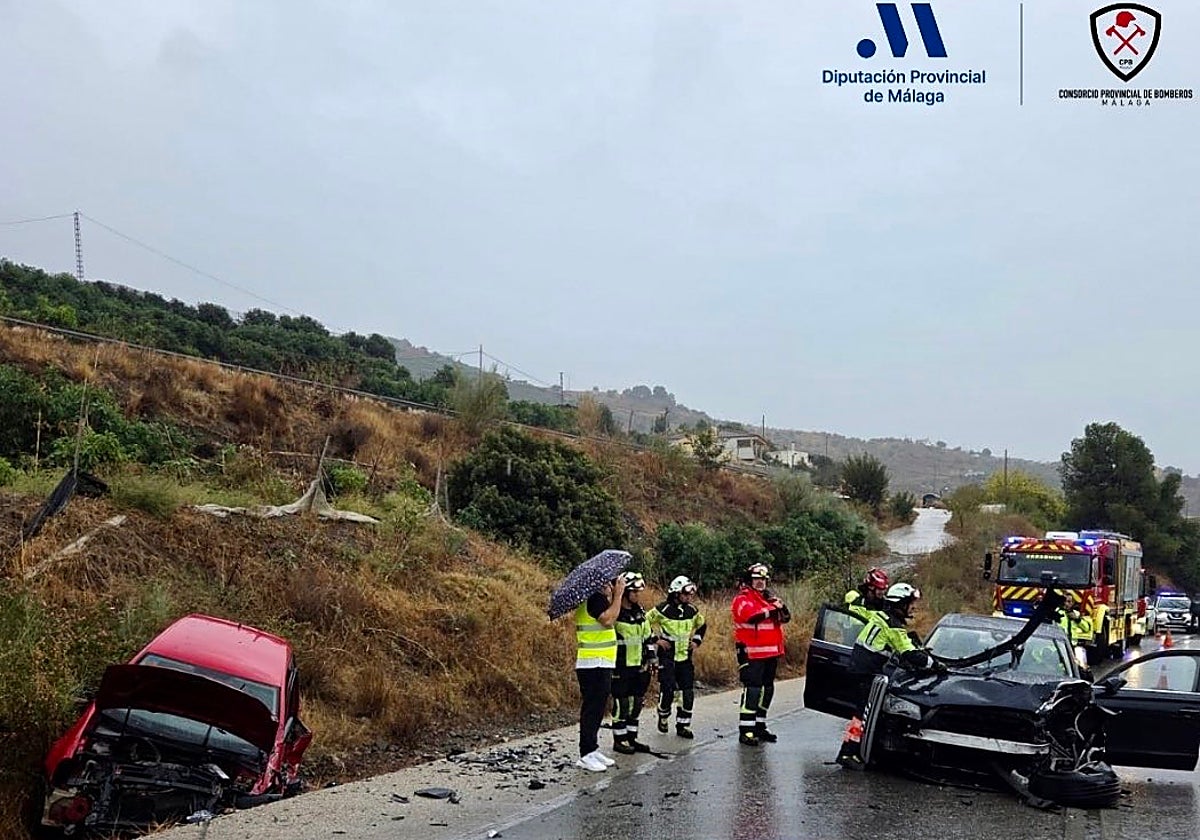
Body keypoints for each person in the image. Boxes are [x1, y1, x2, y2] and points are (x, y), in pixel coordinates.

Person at [835, 581, 935, 768]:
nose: (913, 607)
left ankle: (862, 751)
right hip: (865, 673)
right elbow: (910, 653)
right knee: (862, 714)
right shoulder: (893, 625)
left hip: (860, 669)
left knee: (865, 713)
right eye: (910, 603)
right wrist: (934, 664)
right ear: (900, 604)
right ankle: (848, 753)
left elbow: (894, 646)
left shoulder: (881, 616)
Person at [731, 563, 790, 746]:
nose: (760, 583)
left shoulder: (769, 598)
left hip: (770, 652)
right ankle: (746, 730)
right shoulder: (743, 599)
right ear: (750, 580)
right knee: (753, 689)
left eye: (763, 579)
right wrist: (773, 608)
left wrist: (779, 606)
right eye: (757, 579)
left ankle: (759, 726)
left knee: (767, 690)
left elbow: (786, 617)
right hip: (751, 653)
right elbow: (751, 616)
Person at [574, 574, 624, 772]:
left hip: (600, 662)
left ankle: (592, 749)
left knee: (598, 707)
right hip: (592, 662)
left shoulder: (597, 598)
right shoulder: (593, 599)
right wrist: (618, 596)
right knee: (592, 708)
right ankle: (585, 754)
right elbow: (609, 619)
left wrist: (611, 598)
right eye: (608, 582)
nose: (610, 586)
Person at [648, 575, 707, 739]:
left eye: (690, 595)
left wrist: (696, 641)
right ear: (676, 593)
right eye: (686, 594)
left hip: (685, 658)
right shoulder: (663, 609)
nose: (689, 597)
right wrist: (656, 639)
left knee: (687, 693)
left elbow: (702, 625)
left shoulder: (692, 610)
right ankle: (663, 715)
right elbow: (644, 622)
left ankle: (682, 725)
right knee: (668, 691)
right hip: (667, 657)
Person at [611, 572, 656, 754]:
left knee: (637, 703)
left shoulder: (640, 612)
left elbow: (648, 637)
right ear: (626, 591)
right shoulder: (615, 613)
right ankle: (619, 740)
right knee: (622, 704)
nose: (638, 595)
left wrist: (652, 659)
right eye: (635, 591)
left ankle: (631, 738)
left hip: (639, 666)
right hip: (621, 666)